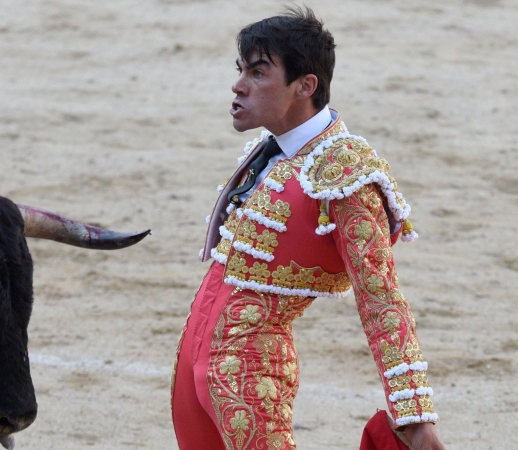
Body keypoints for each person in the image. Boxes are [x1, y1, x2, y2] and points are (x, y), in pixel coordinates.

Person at [170, 8, 446, 450]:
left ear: (306, 85)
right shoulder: (271, 151)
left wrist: (414, 414)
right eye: (240, 70)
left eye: (258, 72)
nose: (239, 85)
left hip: (251, 376)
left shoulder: (344, 172)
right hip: (193, 363)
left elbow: (381, 298)